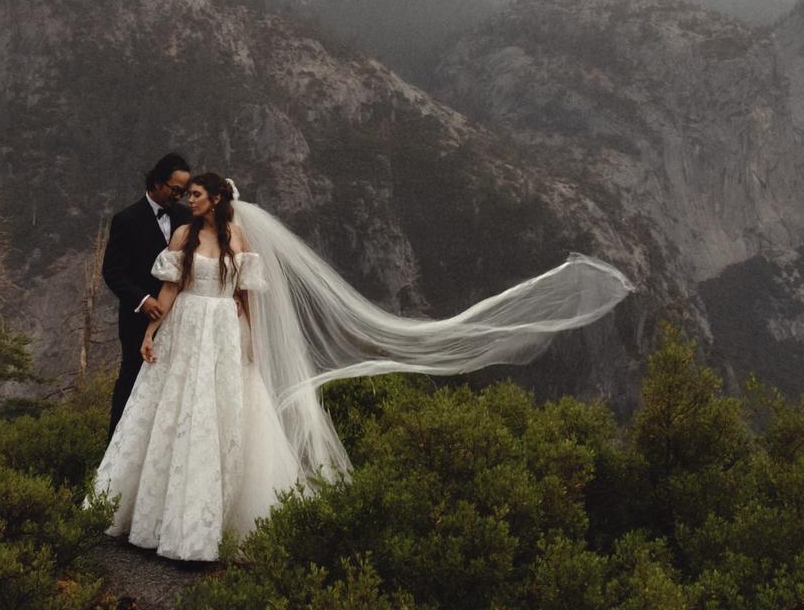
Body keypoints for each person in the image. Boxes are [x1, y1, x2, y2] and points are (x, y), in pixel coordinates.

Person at [91, 171, 630, 565]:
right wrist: (152, 331)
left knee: (213, 421)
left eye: (197, 194)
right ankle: (148, 517)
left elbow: (250, 297)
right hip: (188, 328)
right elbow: (169, 288)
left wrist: (249, 340)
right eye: (187, 194)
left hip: (223, 334)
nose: (189, 200)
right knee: (170, 416)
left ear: (216, 200)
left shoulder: (237, 241)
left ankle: (201, 529)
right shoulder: (183, 238)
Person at [99, 149, 191, 427]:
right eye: (175, 190)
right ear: (157, 182)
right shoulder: (126, 220)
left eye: (184, 191)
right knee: (131, 381)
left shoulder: (188, 218)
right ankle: (114, 449)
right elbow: (112, 271)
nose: (179, 196)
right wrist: (143, 299)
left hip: (180, 316)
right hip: (138, 319)